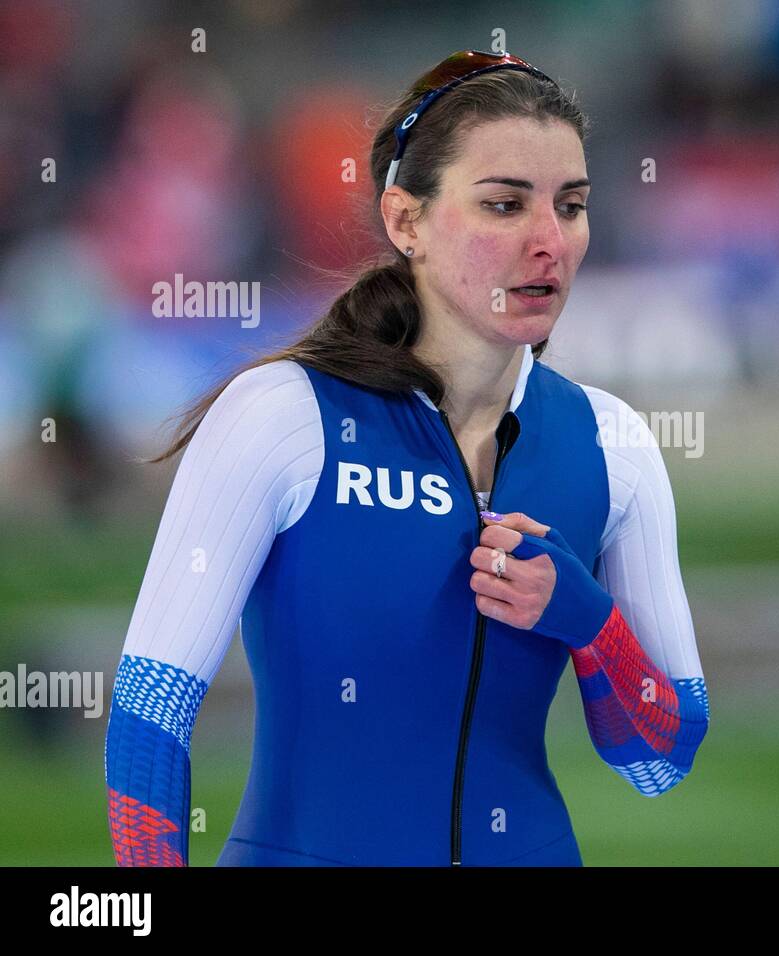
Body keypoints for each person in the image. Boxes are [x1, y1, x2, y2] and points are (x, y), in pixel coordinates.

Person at [103, 50, 710, 867]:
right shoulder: (283, 416)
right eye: (504, 205)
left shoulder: (614, 447)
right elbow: (151, 714)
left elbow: (660, 761)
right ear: (405, 220)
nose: (547, 241)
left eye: (571, 206)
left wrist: (587, 619)